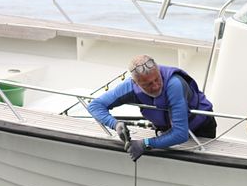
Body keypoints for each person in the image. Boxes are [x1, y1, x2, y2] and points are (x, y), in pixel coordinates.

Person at [88, 55, 216, 161]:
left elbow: (180, 134)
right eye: (148, 84)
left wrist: (145, 144)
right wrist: (115, 124)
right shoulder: (130, 86)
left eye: (157, 79)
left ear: (159, 71)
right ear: (136, 83)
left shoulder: (174, 84)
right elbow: (95, 105)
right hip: (165, 130)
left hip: (200, 130)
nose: (155, 86)